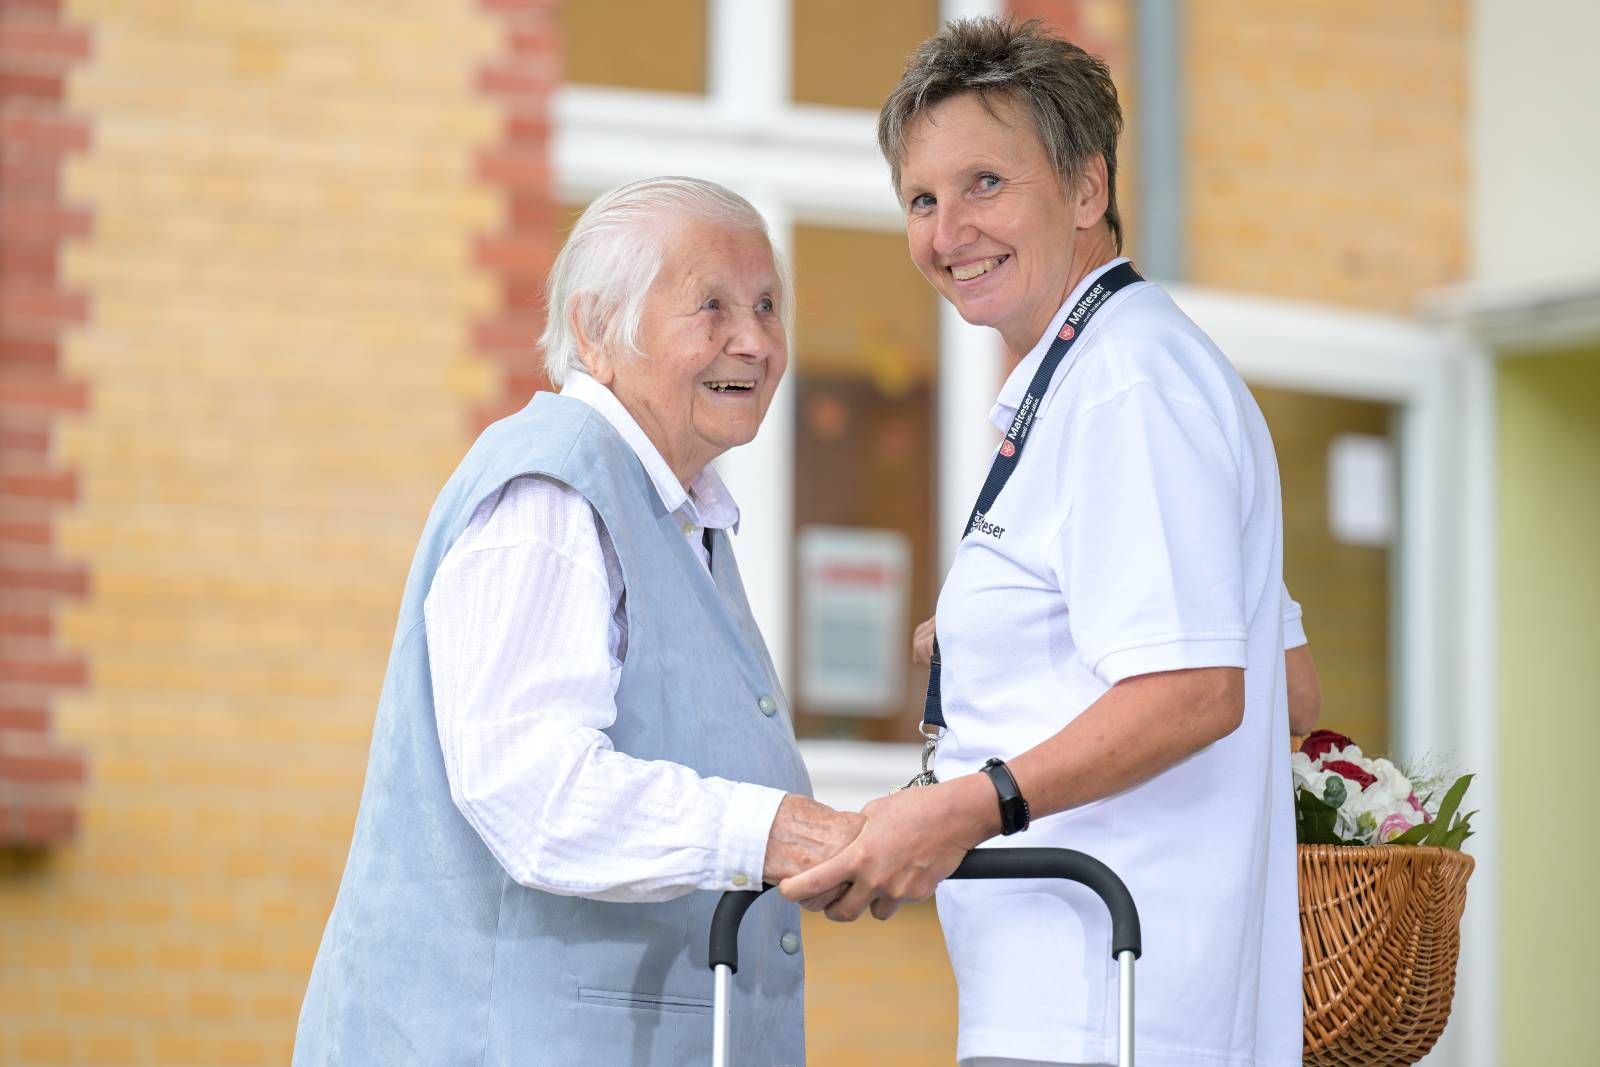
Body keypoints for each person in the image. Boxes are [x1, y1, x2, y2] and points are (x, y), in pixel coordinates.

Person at [782, 18, 1320, 1067]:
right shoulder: (1104, 373)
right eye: (921, 200)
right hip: (1103, 1001)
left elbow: (1202, 688)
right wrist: (1005, 644)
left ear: (1085, 188)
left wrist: (962, 809)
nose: (947, 232)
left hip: (1107, 1007)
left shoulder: (1124, 386)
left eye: (984, 183)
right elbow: (1286, 681)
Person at [295, 177, 862, 1066]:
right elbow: (534, 789)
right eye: (709, 306)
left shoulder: (676, 510)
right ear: (598, 330)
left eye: (766, 305)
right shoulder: (552, 494)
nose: (753, 341)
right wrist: (773, 829)